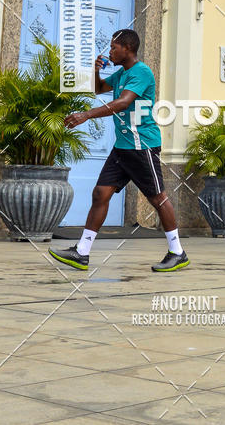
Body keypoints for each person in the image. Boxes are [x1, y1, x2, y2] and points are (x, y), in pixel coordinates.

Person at [49, 29, 189, 273]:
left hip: (142, 145)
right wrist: (95, 71)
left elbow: (123, 102)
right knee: (100, 194)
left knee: (158, 198)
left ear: (128, 48)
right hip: (122, 147)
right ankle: (82, 252)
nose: (110, 52)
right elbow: (98, 89)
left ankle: (177, 252)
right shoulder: (121, 73)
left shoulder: (141, 72)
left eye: (114, 47)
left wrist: (86, 115)